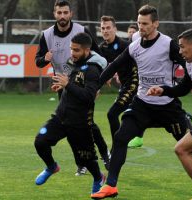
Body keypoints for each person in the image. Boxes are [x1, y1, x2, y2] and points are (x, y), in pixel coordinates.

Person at [91, 5, 192, 199]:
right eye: (138, 23)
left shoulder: (169, 44)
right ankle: (110, 185)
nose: (140, 27)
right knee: (120, 137)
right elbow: (115, 65)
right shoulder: (134, 47)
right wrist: (95, 86)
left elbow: (189, 65)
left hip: (168, 108)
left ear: (155, 24)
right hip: (143, 104)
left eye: (145, 24)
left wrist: (187, 83)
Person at [35, 0, 110, 176]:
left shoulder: (82, 31)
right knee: (71, 125)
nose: (62, 16)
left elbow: (97, 55)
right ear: (54, 14)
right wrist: (45, 59)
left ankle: (103, 155)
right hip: (64, 85)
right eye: (59, 13)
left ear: (71, 14)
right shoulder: (46, 35)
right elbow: (39, 61)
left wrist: (98, 82)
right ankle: (83, 163)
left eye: (65, 12)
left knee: (85, 124)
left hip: (84, 83)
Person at [147, 29, 192, 200]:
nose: (180, 52)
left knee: (181, 148)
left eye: (182, 47)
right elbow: (182, 89)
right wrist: (162, 90)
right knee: (184, 148)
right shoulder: (191, 65)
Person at [34, 32, 106, 195]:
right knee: (40, 142)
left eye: (76, 50)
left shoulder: (93, 70)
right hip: (60, 117)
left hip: (79, 123)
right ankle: (52, 167)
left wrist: (67, 85)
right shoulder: (75, 64)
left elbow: (89, 97)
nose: (72, 53)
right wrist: (63, 86)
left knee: (86, 159)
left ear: (87, 51)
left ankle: (98, 178)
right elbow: (74, 84)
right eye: (71, 49)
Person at [99, 15, 140, 151]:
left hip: (134, 83)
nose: (105, 31)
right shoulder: (102, 49)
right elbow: (102, 67)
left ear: (115, 29)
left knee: (112, 114)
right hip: (124, 85)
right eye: (103, 28)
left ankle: (117, 148)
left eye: (108, 28)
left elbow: (138, 61)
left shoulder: (125, 45)